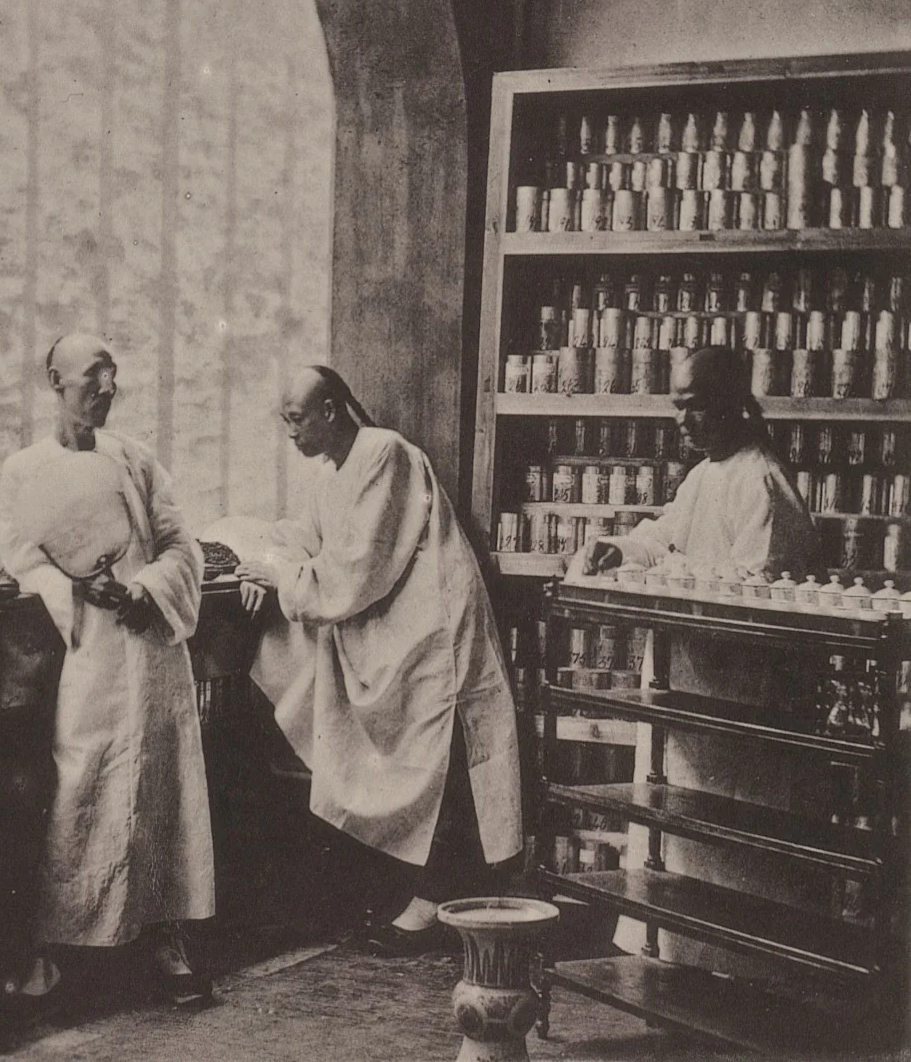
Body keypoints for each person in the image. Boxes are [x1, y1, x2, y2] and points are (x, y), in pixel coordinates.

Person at [235, 366, 523, 956]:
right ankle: (418, 895)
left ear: (333, 410)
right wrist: (264, 558)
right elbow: (307, 538)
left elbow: (356, 567)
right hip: (394, 625)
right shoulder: (333, 474)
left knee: (435, 758)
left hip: (431, 629)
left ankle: (438, 897)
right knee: (385, 756)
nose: (290, 433)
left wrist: (283, 577)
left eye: (297, 419)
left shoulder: (385, 453)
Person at [569, 345, 825, 975]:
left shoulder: (762, 481)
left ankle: (745, 973)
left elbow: (756, 585)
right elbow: (665, 536)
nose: (682, 421)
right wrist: (618, 549)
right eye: (677, 408)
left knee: (735, 840)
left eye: (695, 408)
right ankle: (680, 961)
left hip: (740, 697)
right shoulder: (708, 475)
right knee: (681, 831)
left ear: (733, 407)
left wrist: (675, 569)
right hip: (689, 690)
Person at [0, 333, 215, 1010]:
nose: (106, 389)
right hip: (88, 650)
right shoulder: (25, 469)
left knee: (160, 786)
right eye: (93, 377)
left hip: (150, 648)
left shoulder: (137, 460)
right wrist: (77, 592)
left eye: (114, 378)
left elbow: (181, 541)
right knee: (82, 785)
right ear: (55, 380)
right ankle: (56, 952)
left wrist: (145, 588)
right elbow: (20, 554)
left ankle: (163, 938)